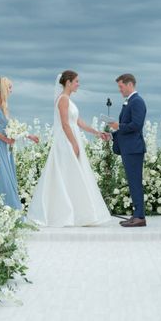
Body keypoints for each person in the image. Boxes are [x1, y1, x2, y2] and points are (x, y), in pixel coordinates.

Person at [27, 70, 111, 227]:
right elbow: (65, 124)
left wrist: (97, 133)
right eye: (76, 81)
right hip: (65, 141)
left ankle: (77, 212)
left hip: (72, 137)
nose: (78, 84)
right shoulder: (63, 100)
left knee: (73, 174)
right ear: (68, 83)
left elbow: (79, 122)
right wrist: (73, 143)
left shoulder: (69, 101)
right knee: (67, 172)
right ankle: (64, 214)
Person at [0, 77, 38, 209]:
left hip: (4, 145)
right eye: (9, 87)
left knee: (7, 175)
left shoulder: (3, 106)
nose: (11, 90)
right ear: (3, 88)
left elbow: (12, 127)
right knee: (0, 176)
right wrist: (5, 139)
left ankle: (8, 209)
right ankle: (0, 208)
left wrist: (29, 136)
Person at [108, 73, 147, 227]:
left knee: (135, 182)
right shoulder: (130, 101)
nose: (120, 90)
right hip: (129, 148)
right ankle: (137, 214)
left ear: (130, 84)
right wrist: (111, 135)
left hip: (133, 149)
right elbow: (126, 128)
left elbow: (136, 125)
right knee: (132, 182)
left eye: (121, 86)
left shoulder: (137, 101)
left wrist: (119, 126)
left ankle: (140, 217)